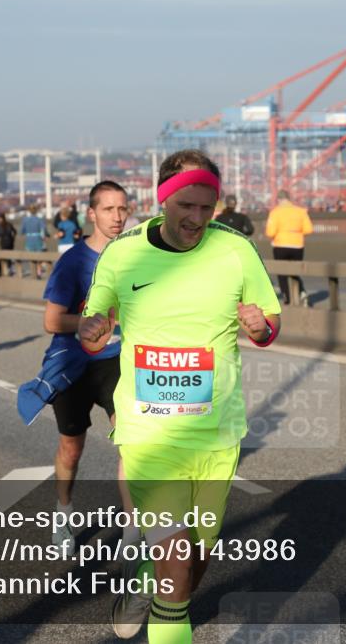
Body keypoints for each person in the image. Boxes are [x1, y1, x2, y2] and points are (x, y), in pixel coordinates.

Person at [79, 149, 281, 643]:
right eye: (186, 205)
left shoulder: (235, 249)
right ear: (163, 198)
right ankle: (163, 591)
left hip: (216, 432)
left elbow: (269, 323)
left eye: (206, 207)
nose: (196, 218)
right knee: (175, 558)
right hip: (149, 432)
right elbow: (95, 322)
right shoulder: (124, 252)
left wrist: (262, 327)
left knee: (193, 558)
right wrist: (94, 329)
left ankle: (149, 583)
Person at [43, 181, 130, 556]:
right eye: (109, 210)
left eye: (123, 209)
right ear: (91, 214)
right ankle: (63, 512)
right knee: (71, 448)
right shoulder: (74, 262)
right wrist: (82, 323)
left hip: (116, 363)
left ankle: (131, 530)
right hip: (75, 365)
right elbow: (51, 320)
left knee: (132, 443)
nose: (118, 217)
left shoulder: (133, 258)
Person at [266, 189, 313, 305]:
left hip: (280, 245)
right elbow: (308, 229)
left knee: (282, 273)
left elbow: (270, 232)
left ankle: (287, 297)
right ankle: (301, 293)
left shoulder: (275, 212)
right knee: (295, 271)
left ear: (279, 200)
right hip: (297, 246)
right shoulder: (301, 211)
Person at [21, 204, 49, 278]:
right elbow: (43, 230)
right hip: (38, 239)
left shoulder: (25, 220)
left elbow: (22, 231)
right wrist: (46, 236)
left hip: (29, 239)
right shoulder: (39, 220)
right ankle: (39, 271)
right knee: (38, 256)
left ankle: (33, 272)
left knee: (31, 256)